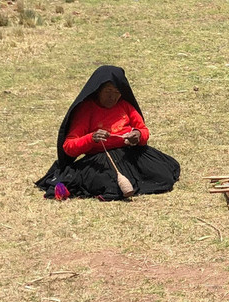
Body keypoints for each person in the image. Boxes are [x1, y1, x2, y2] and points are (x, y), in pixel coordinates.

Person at [35, 65, 180, 201]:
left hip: (129, 155)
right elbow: (69, 146)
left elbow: (143, 130)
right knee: (108, 183)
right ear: (98, 90)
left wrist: (138, 135)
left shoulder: (125, 105)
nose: (112, 97)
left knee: (163, 175)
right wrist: (91, 138)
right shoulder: (86, 110)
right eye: (108, 91)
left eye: (117, 92)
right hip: (101, 160)